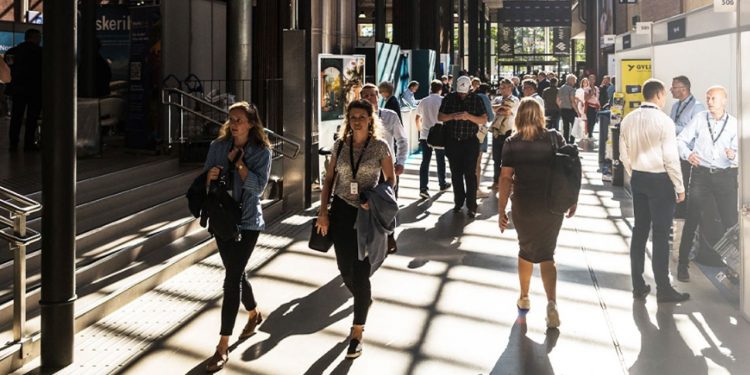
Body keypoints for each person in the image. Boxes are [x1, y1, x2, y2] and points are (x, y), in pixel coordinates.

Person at [316, 99, 397, 359]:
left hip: (365, 212)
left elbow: (390, 179)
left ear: (370, 119)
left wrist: (373, 198)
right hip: (341, 211)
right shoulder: (340, 146)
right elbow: (329, 179)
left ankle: (357, 331)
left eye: (362, 116)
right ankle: (365, 299)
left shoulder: (380, 146)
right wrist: (323, 211)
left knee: (360, 273)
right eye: (353, 117)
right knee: (344, 269)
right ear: (347, 120)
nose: (357, 121)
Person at [203, 101, 273, 372]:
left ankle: (222, 346)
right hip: (222, 220)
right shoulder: (216, 147)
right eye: (231, 119)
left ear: (251, 123)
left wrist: (240, 164)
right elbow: (204, 182)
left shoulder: (261, 151)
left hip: (247, 222)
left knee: (231, 280)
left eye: (239, 120)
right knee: (238, 273)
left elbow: (256, 189)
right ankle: (254, 314)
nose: (234, 124)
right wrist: (210, 176)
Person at [497, 98, 574, 329]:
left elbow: (505, 178)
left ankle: (524, 296)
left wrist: (501, 209)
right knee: (548, 254)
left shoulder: (512, 142)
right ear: (541, 114)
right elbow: (567, 170)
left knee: (526, 249)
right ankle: (552, 303)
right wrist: (572, 200)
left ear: (519, 115)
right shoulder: (554, 138)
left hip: (524, 205)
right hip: (552, 205)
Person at [619, 79, 689, 303]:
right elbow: (670, 158)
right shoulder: (664, 121)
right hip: (661, 182)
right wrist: (679, 186)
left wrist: (635, 172)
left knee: (639, 232)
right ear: (658, 95)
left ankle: (638, 286)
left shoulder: (628, 119)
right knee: (660, 235)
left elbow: (623, 154)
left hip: (638, 179)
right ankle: (663, 288)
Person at [676, 86, 737, 282]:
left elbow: (741, 153)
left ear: (724, 101)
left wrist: (733, 155)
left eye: (714, 98)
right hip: (701, 174)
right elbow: (681, 140)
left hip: (725, 175)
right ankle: (682, 265)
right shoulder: (700, 119)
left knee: (731, 223)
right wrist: (688, 154)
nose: (710, 102)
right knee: (691, 219)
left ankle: (736, 269)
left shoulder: (734, 124)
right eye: (708, 98)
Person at [361, 83, 407, 253]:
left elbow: (402, 140)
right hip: (364, 172)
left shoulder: (390, 116)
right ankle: (369, 239)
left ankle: (389, 236)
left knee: (387, 204)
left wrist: (400, 161)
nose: (369, 98)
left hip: (387, 171)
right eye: (365, 96)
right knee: (366, 205)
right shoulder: (357, 118)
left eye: (372, 95)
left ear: (378, 97)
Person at [438, 76, 488, 218]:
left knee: (470, 174)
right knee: (456, 174)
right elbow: (440, 117)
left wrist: (468, 116)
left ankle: (472, 205)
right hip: (452, 141)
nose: (462, 95)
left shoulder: (476, 99)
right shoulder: (448, 98)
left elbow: (484, 119)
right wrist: (452, 116)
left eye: (464, 93)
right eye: (460, 93)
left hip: (470, 141)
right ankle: (458, 202)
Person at [669, 75, 706, 220]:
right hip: (674, 154)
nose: (671, 90)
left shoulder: (697, 107)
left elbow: (695, 133)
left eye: (674, 87)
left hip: (688, 156)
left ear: (683, 89)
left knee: (685, 188)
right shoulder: (675, 106)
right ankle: (676, 219)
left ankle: (683, 220)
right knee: (675, 187)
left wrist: (672, 127)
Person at [5, 29, 42, 152]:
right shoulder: (39, 52)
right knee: (32, 118)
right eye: (39, 37)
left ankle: (13, 143)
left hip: (18, 89)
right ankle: (29, 143)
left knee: (16, 116)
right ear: (34, 37)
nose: (40, 39)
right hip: (34, 90)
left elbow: (9, 68)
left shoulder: (13, 52)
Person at [415, 80, 450, 199]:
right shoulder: (443, 100)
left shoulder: (423, 101)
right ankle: (442, 183)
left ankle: (423, 188)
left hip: (425, 135)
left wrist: (420, 131)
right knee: (441, 160)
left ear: (431, 88)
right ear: (440, 89)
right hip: (440, 135)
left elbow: (417, 118)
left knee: (425, 161)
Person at [490, 79, 519, 190]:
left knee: (509, 159)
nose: (501, 89)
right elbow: (493, 109)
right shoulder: (497, 99)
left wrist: (499, 109)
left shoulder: (515, 99)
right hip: (497, 133)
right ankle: (496, 181)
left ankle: (509, 182)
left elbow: (508, 112)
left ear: (510, 88)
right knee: (496, 158)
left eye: (503, 87)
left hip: (509, 132)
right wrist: (501, 108)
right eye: (500, 87)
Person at [475, 83, 495, 199]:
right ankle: (476, 189)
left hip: (466, 133)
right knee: (477, 162)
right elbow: (491, 117)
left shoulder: (470, 96)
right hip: (479, 132)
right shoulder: (484, 98)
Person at [558, 74, 578, 144]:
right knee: (574, 126)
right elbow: (572, 101)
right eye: (574, 81)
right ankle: (572, 141)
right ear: (571, 80)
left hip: (563, 109)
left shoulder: (561, 88)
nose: (574, 82)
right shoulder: (571, 89)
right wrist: (577, 111)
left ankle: (566, 141)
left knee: (565, 127)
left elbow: (558, 100)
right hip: (571, 110)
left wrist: (560, 107)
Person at [584, 74, 601, 139]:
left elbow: (597, 98)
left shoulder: (597, 88)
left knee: (594, 120)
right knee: (590, 120)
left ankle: (590, 132)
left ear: (594, 80)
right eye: (590, 79)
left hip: (596, 106)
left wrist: (599, 105)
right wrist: (591, 94)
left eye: (593, 79)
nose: (591, 81)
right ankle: (589, 134)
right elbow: (585, 98)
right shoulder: (587, 89)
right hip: (589, 107)